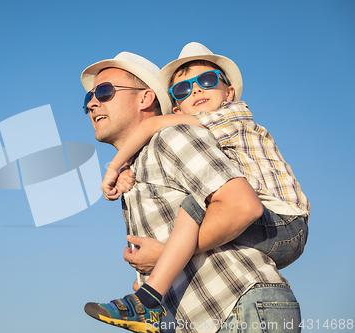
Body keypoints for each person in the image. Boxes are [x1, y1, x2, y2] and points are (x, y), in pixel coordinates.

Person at [80, 49, 301, 333]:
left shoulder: (173, 136)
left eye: (104, 91)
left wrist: (164, 256)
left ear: (146, 98)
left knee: (194, 206)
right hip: (209, 318)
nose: (93, 103)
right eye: (88, 98)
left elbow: (242, 207)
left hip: (236, 310)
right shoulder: (141, 164)